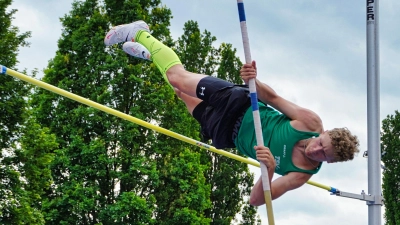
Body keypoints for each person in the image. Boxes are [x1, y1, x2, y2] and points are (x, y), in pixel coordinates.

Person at [104, 21, 360, 206]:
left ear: (331, 163)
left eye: (324, 155)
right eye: (320, 143)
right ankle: (139, 32)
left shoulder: (301, 174)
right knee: (178, 78)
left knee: (178, 91)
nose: (316, 150)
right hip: (238, 104)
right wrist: (254, 81)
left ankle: (152, 56)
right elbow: (270, 98)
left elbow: (256, 200)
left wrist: (269, 170)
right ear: (323, 133)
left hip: (227, 133)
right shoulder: (309, 122)